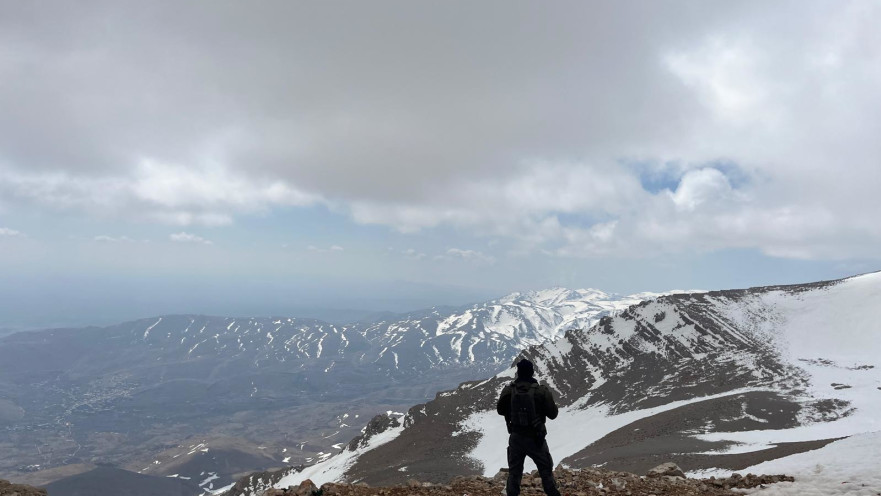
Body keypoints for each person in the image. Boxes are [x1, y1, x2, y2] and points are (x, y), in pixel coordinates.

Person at [496, 358, 560, 496]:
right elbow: (553, 414)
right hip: (536, 438)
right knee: (546, 472)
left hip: (516, 437)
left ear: (518, 373)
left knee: (514, 474)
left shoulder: (509, 390)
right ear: (532, 372)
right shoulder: (540, 391)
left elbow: (500, 410)